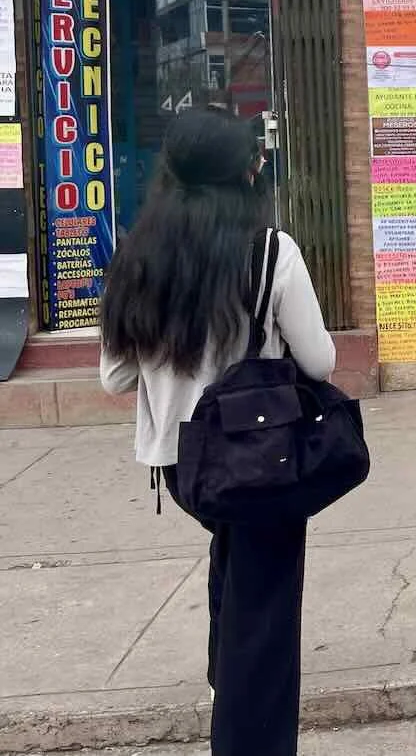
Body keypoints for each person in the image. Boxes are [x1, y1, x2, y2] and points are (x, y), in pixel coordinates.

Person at [100, 108, 336, 756]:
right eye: (254, 160)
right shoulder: (271, 251)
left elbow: (116, 376)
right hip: (259, 456)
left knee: (233, 566)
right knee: (266, 618)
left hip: (184, 465)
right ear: (242, 175)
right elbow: (320, 362)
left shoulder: (137, 256)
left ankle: (218, 676)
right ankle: (245, 736)